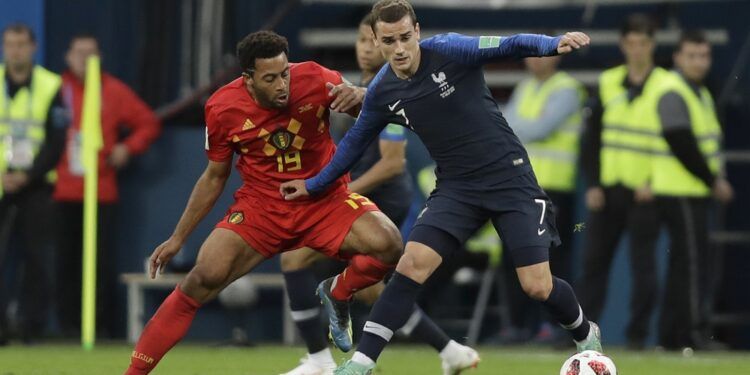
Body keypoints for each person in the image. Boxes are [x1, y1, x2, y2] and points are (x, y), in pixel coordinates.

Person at [123, 30, 474, 375]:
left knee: (389, 244)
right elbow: (214, 176)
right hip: (263, 208)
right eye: (271, 78)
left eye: (285, 73)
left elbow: (374, 115)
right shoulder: (221, 107)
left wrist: (363, 98)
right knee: (202, 277)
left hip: (324, 199)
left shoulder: (317, 79)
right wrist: (178, 238)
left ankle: (338, 293)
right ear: (248, 79)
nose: (282, 85)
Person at [280, 1, 599, 373]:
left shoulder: (449, 49)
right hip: (457, 189)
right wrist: (314, 184)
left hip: (510, 181)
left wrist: (551, 43)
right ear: (379, 42)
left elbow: (508, 44)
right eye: (389, 41)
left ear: (417, 31)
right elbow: (354, 145)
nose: (398, 48)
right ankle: (361, 363)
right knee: (411, 265)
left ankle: (585, 333)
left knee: (536, 285)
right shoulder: (382, 90)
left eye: (404, 37)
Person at [280, 14, 474, 375]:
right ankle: (450, 351)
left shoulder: (387, 91)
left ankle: (319, 361)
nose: (365, 48)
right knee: (373, 291)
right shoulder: (363, 89)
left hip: (383, 198)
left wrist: (338, 194)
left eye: (373, 41)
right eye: (361, 40)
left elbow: (392, 163)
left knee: (294, 259)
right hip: (370, 197)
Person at [54, 33, 162, 338]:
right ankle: (66, 329)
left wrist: (128, 148)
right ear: (68, 56)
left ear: (99, 57)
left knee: (100, 265)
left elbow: (148, 122)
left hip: (101, 191)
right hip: (63, 191)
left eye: (91, 53)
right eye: (79, 52)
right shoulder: (57, 90)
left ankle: (100, 328)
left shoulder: (113, 90)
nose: (84, 59)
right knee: (65, 265)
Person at [578, 14, 675, 350]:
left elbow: (671, 141)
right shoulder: (608, 82)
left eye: (644, 43)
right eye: (632, 43)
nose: (637, 50)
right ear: (623, 45)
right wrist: (592, 184)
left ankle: (637, 336)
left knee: (644, 270)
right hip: (608, 190)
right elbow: (591, 138)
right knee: (593, 265)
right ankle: (583, 336)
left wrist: (653, 180)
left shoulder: (666, 85)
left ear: (653, 45)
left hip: (644, 192)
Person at [645, 30, 733, 349]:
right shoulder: (674, 90)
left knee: (683, 265)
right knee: (693, 266)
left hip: (687, 190)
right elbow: (680, 141)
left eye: (705, 55)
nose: (700, 62)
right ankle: (693, 334)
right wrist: (713, 181)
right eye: (693, 55)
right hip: (681, 189)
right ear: (679, 57)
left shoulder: (699, 92)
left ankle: (672, 337)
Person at [500, 54, 585, 344]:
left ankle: (555, 327)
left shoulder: (567, 89)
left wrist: (515, 126)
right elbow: (503, 124)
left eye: (542, 54)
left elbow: (540, 128)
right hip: (522, 185)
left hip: (554, 187)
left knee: (552, 259)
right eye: (531, 55)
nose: (535, 61)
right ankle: (517, 326)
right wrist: (519, 126)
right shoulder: (525, 87)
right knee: (513, 254)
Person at [0, 23, 68, 344]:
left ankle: (30, 328)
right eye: (10, 44)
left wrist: (27, 176)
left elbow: (57, 141)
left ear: (33, 47)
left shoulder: (50, 85)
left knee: (39, 259)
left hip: (37, 185)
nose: (15, 51)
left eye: (21, 44)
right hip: (1, 181)